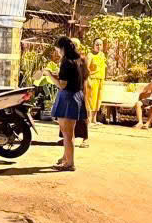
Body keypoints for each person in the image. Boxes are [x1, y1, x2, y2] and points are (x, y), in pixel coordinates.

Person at [43, 36, 88, 171]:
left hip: (68, 97)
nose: (57, 52)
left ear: (62, 48)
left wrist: (49, 75)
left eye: (57, 49)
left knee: (67, 134)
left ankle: (70, 163)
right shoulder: (79, 59)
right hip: (76, 96)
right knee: (68, 132)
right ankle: (66, 157)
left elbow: (62, 85)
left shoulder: (66, 61)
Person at [56, 38, 90, 148]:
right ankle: (67, 147)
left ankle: (83, 139)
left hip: (76, 91)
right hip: (70, 92)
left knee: (79, 119)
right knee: (67, 125)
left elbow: (85, 76)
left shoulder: (78, 59)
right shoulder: (67, 60)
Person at [85, 38, 107, 124]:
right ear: (93, 45)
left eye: (100, 44)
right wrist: (87, 80)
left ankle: (94, 119)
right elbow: (86, 68)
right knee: (91, 100)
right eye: (97, 44)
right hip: (92, 79)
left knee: (98, 100)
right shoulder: (90, 55)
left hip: (100, 80)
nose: (99, 46)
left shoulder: (102, 55)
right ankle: (89, 119)